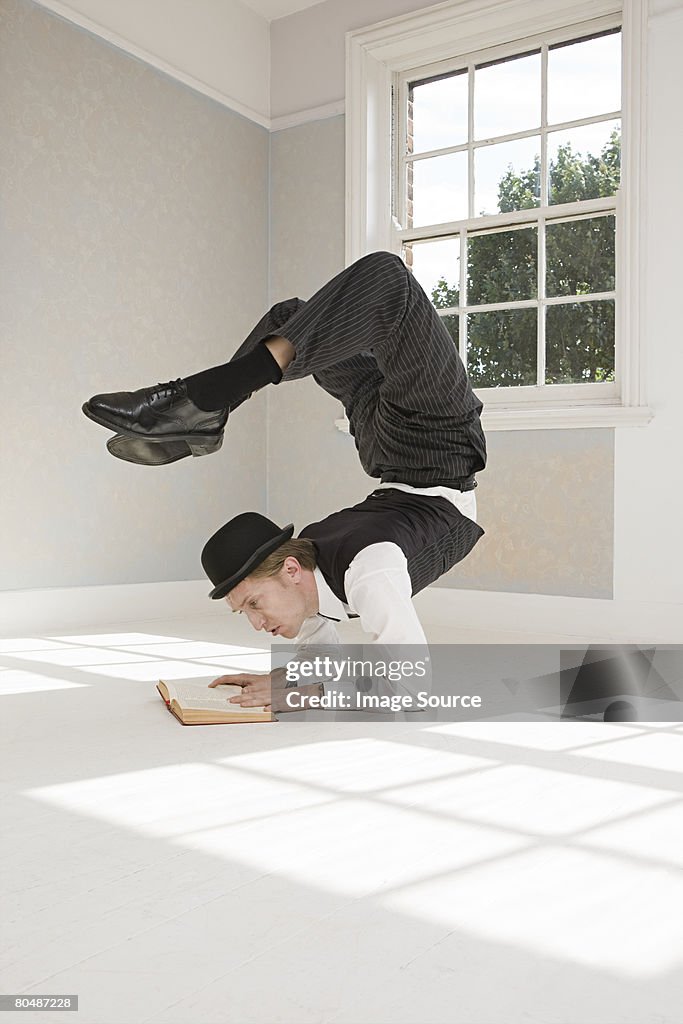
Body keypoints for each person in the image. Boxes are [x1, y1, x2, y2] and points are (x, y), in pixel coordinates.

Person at [83, 251, 487, 712]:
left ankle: (205, 409)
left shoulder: (317, 564)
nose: (256, 625)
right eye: (250, 610)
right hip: (438, 449)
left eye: (252, 604)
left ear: (292, 569)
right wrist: (301, 682)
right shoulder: (368, 573)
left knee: (291, 318)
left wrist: (300, 681)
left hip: (392, 450)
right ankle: (205, 407)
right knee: (385, 282)